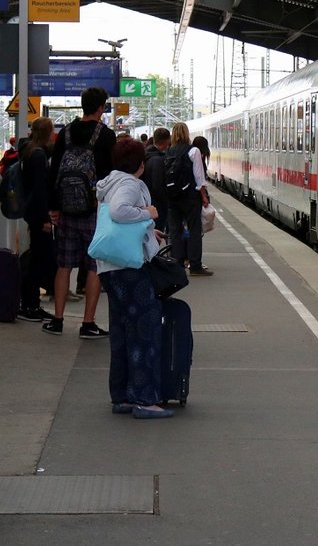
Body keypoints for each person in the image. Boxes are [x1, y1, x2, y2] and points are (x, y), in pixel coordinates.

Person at [94, 136, 172, 419]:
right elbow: (120, 212)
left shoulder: (110, 182)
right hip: (129, 269)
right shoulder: (129, 183)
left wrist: (149, 231)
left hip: (110, 267)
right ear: (140, 163)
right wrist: (147, 213)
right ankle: (144, 399)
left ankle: (122, 395)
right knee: (144, 331)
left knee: (122, 332)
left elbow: (119, 221)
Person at [43, 86, 116, 338]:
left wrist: (53, 207)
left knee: (63, 266)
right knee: (95, 266)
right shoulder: (105, 135)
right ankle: (87, 323)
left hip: (66, 211)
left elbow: (54, 173)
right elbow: (110, 175)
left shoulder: (65, 132)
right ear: (100, 107)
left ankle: (57, 319)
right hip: (95, 211)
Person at [16, 118, 55, 322]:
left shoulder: (28, 151)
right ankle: (29, 304)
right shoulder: (39, 155)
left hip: (31, 212)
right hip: (38, 214)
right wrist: (45, 219)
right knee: (39, 259)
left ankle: (31, 302)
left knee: (37, 257)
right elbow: (40, 189)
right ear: (48, 133)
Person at [166, 122, 213, 276]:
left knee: (175, 231)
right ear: (186, 134)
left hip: (172, 197)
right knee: (194, 230)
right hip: (190, 197)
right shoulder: (194, 151)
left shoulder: (168, 151)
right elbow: (199, 177)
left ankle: (177, 264)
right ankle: (195, 266)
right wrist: (204, 195)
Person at [142, 127, 171, 234]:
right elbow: (158, 186)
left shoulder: (147, 155)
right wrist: (165, 202)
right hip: (157, 206)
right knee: (156, 234)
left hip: (147, 201)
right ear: (167, 140)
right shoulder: (157, 160)